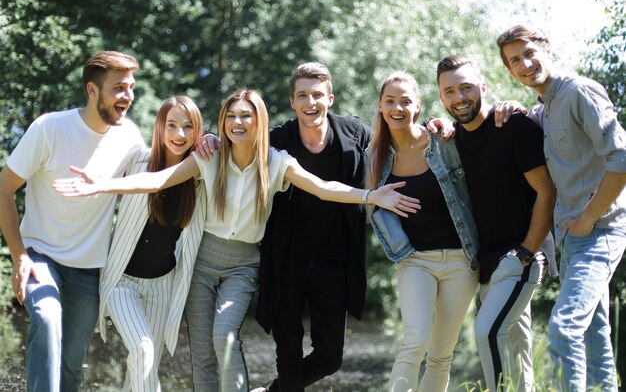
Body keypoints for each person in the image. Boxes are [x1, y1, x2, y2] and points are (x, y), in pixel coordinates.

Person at [53, 88, 418, 391]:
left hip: (243, 265)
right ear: (222, 123)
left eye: (246, 116)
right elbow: (159, 181)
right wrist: (100, 186)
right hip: (200, 263)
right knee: (201, 352)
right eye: (231, 116)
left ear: (259, 121)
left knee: (224, 336)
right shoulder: (209, 158)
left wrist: (371, 196)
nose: (238, 123)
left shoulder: (278, 162)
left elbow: (323, 188)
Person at [0, 51, 145, 392]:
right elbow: (4, 187)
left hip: (90, 269)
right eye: (119, 88)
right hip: (40, 257)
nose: (128, 97)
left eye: (132, 87)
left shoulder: (129, 137)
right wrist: (19, 254)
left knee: (71, 368)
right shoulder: (49, 129)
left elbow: (156, 173)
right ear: (93, 90)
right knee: (47, 319)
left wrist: (205, 142)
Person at [497, 25, 626, 391]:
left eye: (529, 52)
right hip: (573, 239)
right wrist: (517, 109)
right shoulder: (546, 108)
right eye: (514, 60)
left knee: (564, 329)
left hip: (599, 231)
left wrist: (588, 218)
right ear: (509, 71)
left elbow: (621, 158)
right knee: (593, 335)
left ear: (547, 48)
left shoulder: (578, 91)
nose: (524, 64)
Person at [436, 55, 556, 391]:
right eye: (449, 92)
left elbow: (547, 193)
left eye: (466, 88)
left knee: (488, 333)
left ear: (483, 87)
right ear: (441, 97)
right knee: (517, 351)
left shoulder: (513, 127)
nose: (459, 98)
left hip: (520, 257)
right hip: (487, 263)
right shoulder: (450, 141)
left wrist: (525, 254)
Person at [253, 62, 372, 392]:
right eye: (302, 95)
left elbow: (393, 144)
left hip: (335, 264)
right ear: (292, 101)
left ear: (330, 98)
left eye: (317, 95)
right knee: (287, 356)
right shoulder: (276, 139)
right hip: (285, 261)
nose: (310, 103)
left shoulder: (354, 132)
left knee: (330, 358)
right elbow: (235, 139)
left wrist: (433, 126)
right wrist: (208, 136)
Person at [366, 71, 480, 392]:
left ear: (418, 105)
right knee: (414, 341)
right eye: (390, 101)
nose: (397, 108)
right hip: (415, 260)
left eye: (405, 100)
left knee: (441, 354)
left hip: (461, 259)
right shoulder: (373, 156)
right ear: (380, 106)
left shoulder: (443, 142)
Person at [97, 96, 206, 391]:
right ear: (159, 127)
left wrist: (213, 141)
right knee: (143, 349)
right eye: (171, 125)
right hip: (122, 281)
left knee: (146, 365)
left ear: (197, 131)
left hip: (162, 285)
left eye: (187, 127)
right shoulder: (137, 161)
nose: (178, 134)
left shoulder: (199, 176)